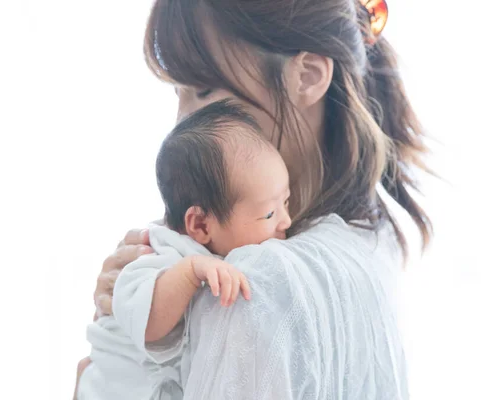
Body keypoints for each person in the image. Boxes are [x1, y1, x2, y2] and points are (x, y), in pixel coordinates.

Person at [77, 0, 433, 398]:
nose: (182, 123)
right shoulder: (372, 239)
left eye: (203, 90)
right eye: (179, 92)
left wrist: (97, 382)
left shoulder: (252, 283)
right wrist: (144, 310)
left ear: (309, 76)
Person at [77, 101, 292, 399]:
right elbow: (149, 323)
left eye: (287, 202)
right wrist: (189, 272)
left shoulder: (227, 244)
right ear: (201, 224)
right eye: (270, 214)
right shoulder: (164, 252)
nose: (286, 221)